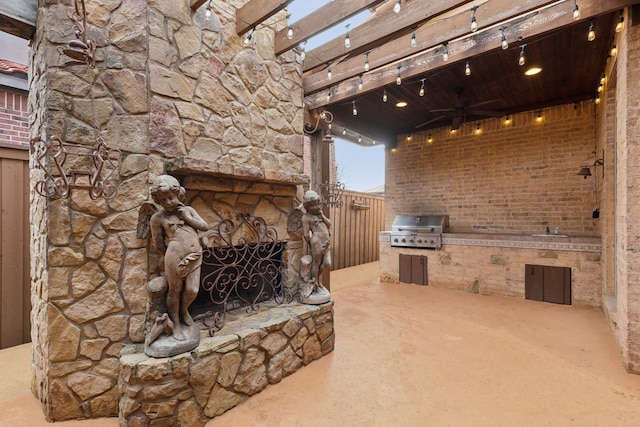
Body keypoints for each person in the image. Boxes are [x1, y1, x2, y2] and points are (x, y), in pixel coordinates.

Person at [149, 175, 209, 341]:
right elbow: (158, 243)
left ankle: (184, 310)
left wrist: (187, 218)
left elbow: (205, 226)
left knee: (192, 290)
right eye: (163, 199)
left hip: (196, 255)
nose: (168, 202)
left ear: (179, 195)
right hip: (174, 257)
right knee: (174, 290)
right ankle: (175, 324)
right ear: (158, 201)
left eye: (171, 197)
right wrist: (174, 253)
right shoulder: (157, 218)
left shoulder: (188, 210)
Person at [301, 190, 332, 290]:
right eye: (313, 206)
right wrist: (311, 243)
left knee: (327, 263)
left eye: (317, 204)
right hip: (316, 241)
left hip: (326, 241)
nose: (316, 207)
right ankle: (315, 283)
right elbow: (306, 234)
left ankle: (316, 279)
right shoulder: (306, 217)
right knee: (316, 263)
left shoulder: (319, 214)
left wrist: (322, 215)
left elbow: (329, 224)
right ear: (307, 207)